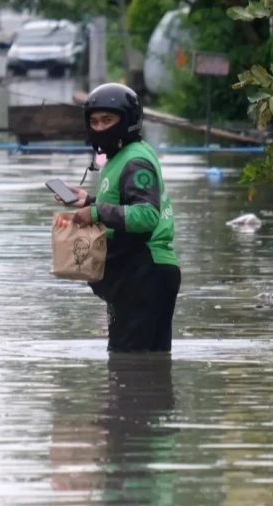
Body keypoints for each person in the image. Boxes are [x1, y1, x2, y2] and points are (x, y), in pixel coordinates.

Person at [54, 83, 181, 353]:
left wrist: (96, 212)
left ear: (128, 122)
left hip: (145, 271)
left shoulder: (135, 161)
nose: (100, 128)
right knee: (151, 368)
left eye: (108, 120)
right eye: (95, 121)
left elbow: (147, 215)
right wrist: (89, 201)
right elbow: (126, 207)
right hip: (142, 272)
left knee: (127, 366)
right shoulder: (121, 158)